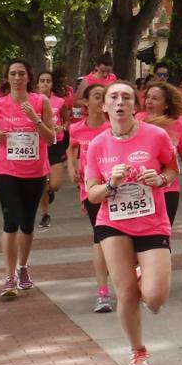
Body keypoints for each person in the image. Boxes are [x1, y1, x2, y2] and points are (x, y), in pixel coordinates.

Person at [83, 81, 178, 365]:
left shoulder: (156, 136)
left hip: (151, 221)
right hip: (113, 223)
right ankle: (138, 351)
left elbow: (173, 169)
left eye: (126, 97)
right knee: (125, 294)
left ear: (134, 106)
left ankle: (142, 275)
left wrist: (159, 179)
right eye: (114, 97)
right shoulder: (98, 145)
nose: (120, 102)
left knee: (154, 297)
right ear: (104, 106)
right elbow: (92, 193)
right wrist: (111, 184)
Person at [0, 59, 56, 300]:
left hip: (35, 172)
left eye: (21, 73)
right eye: (13, 73)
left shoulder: (40, 101)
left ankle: (22, 267)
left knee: (26, 223)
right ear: (7, 77)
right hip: (5, 170)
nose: (17, 78)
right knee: (11, 220)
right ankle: (9, 276)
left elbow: (52, 138)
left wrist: (35, 119)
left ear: (28, 77)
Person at [68, 84, 115, 313]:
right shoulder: (77, 128)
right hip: (90, 190)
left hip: (117, 190)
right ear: (86, 102)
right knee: (100, 237)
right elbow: (71, 149)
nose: (100, 101)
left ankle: (130, 278)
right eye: (97, 97)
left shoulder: (113, 127)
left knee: (117, 238)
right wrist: (71, 166)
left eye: (103, 97)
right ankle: (103, 293)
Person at [141, 81, 182, 225]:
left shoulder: (176, 125)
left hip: (168, 188)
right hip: (141, 188)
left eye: (155, 98)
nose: (149, 101)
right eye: (148, 97)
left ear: (166, 104)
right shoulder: (137, 121)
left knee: (163, 233)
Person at [36, 71, 72, 228]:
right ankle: (45, 214)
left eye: (48, 81)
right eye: (42, 81)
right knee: (42, 180)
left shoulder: (60, 101)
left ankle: (48, 192)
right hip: (38, 144)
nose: (45, 84)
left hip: (56, 144)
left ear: (52, 84)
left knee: (55, 184)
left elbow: (67, 120)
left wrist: (61, 128)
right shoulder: (31, 101)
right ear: (37, 84)